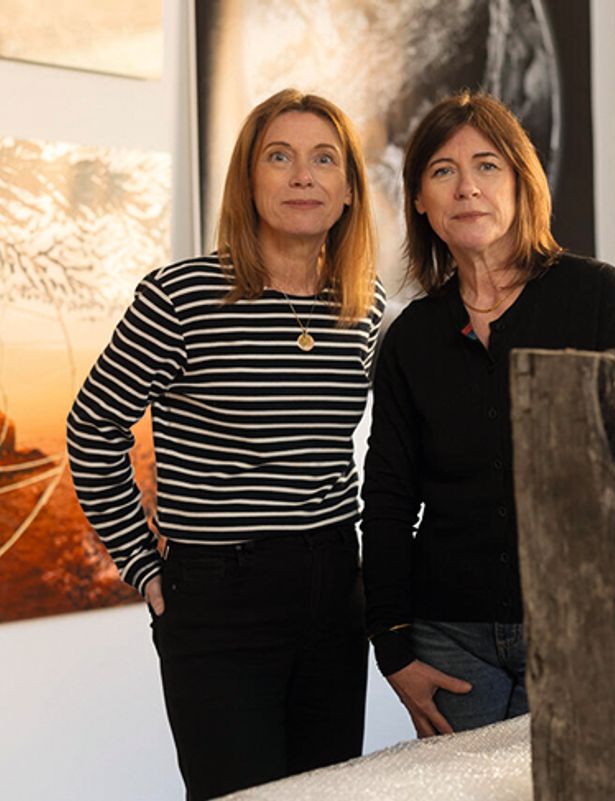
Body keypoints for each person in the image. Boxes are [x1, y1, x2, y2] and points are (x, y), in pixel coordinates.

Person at [66, 88, 385, 800]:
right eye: (279, 157)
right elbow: (91, 428)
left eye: (323, 159)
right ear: (248, 179)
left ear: (348, 190)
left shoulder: (364, 305)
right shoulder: (181, 298)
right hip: (220, 600)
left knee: (329, 794)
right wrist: (142, 566)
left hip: (335, 586)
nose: (302, 176)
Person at [361, 90, 615, 738]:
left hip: (579, 622)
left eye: (487, 166)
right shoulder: (412, 336)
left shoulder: (597, 296)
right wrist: (393, 646)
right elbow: (386, 498)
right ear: (420, 199)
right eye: (443, 170)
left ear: (522, 183)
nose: (467, 187)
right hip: (449, 637)